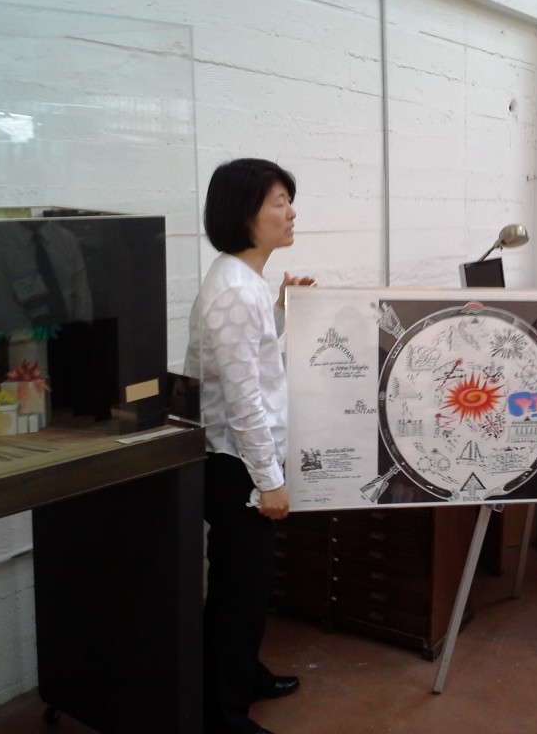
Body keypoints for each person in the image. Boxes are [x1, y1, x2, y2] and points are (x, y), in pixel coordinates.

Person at [184, 158, 315, 734]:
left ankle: (247, 674)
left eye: (289, 199)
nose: (291, 212)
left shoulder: (245, 282)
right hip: (235, 464)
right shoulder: (236, 291)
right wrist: (269, 479)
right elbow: (241, 400)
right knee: (238, 591)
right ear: (246, 214)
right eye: (279, 201)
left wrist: (281, 309)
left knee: (252, 584)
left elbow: (253, 362)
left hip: (241, 460)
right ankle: (222, 712)